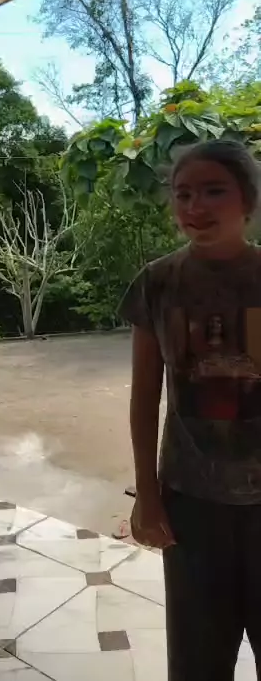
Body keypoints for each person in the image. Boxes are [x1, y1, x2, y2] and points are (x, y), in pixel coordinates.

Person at [119, 140, 261, 681]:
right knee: (198, 659)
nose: (195, 206)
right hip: (191, 504)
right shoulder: (158, 283)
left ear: (248, 200)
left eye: (213, 191)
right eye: (183, 194)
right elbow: (144, 398)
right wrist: (147, 494)